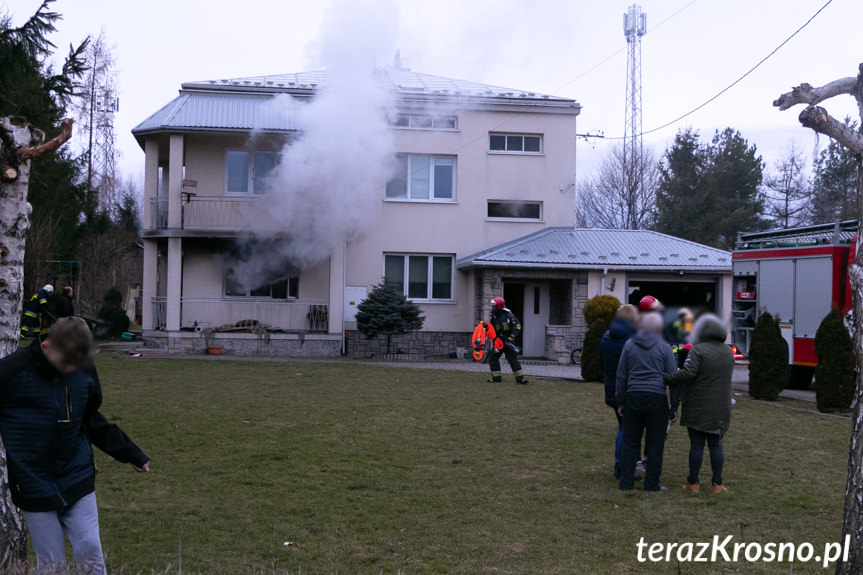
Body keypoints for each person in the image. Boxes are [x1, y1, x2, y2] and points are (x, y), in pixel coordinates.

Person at [0, 316, 150, 574]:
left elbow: (92, 420)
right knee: (52, 566)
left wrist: (131, 453)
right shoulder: (11, 372)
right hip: (32, 482)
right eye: (67, 363)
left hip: (76, 475)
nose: (73, 370)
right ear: (47, 348)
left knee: (91, 551)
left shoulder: (83, 367)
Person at [665, 314, 734, 494]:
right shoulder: (728, 351)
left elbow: (688, 373)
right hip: (721, 407)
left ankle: (693, 483)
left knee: (696, 445)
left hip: (697, 405)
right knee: (716, 445)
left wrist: (667, 378)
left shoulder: (698, 350)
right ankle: (717, 484)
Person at [615, 312, 679, 492]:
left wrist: (620, 401)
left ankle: (626, 482)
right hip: (656, 399)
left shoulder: (629, 345)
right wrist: (674, 406)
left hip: (633, 397)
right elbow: (673, 377)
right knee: (655, 443)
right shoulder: (664, 347)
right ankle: (651, 484)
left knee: (630, 442)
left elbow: (621, 375)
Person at [600, 304, 639, 480]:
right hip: (629, 388)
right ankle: (622, 465)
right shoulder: (633, 339)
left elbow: (603, 363)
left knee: (623, 427)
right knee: (627, 430)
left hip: (611, 387)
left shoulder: (606, 337)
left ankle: (624, 462)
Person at [487, 297, 528, 384]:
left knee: (513, 359)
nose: (492, 308)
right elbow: (492, 329)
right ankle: (496, 378)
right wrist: (486, 328)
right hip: (498, 342)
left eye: (494, 306)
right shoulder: (494, 317)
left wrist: (511, 337)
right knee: (493, 358)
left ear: (499, 306)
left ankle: (520, 378)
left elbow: (517, 327)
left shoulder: (509, 315)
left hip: (508, 342)